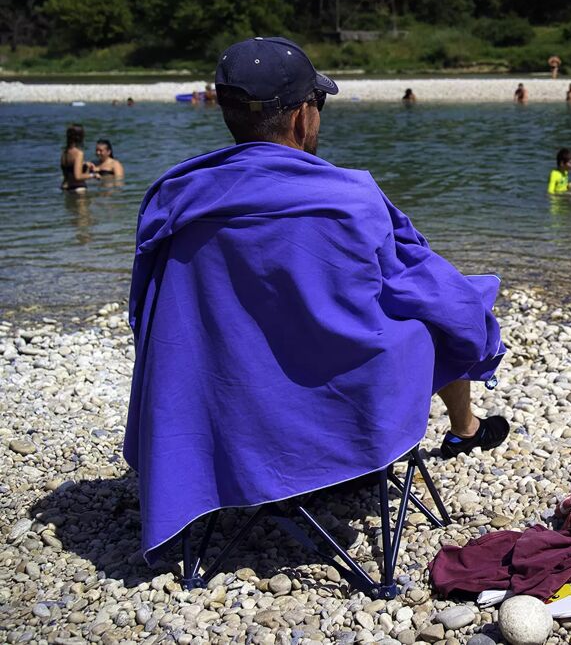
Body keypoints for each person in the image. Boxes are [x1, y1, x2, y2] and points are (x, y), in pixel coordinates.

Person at [123, 36, 510, 564]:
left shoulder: (175, 199)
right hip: (338, 393)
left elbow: (145, 311)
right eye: (319, 103)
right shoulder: (348, 198)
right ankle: (463, 430)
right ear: (303, 117)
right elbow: (420, 281)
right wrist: (477, 313)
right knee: (444, 313)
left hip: (220, 397)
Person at [60, 124, 99, 191]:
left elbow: (69, 171)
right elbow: (78, 176)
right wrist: (93, 175)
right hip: (78, 188)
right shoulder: (78, 153)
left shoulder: (64, 153)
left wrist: (85, 165)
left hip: (65, 188)